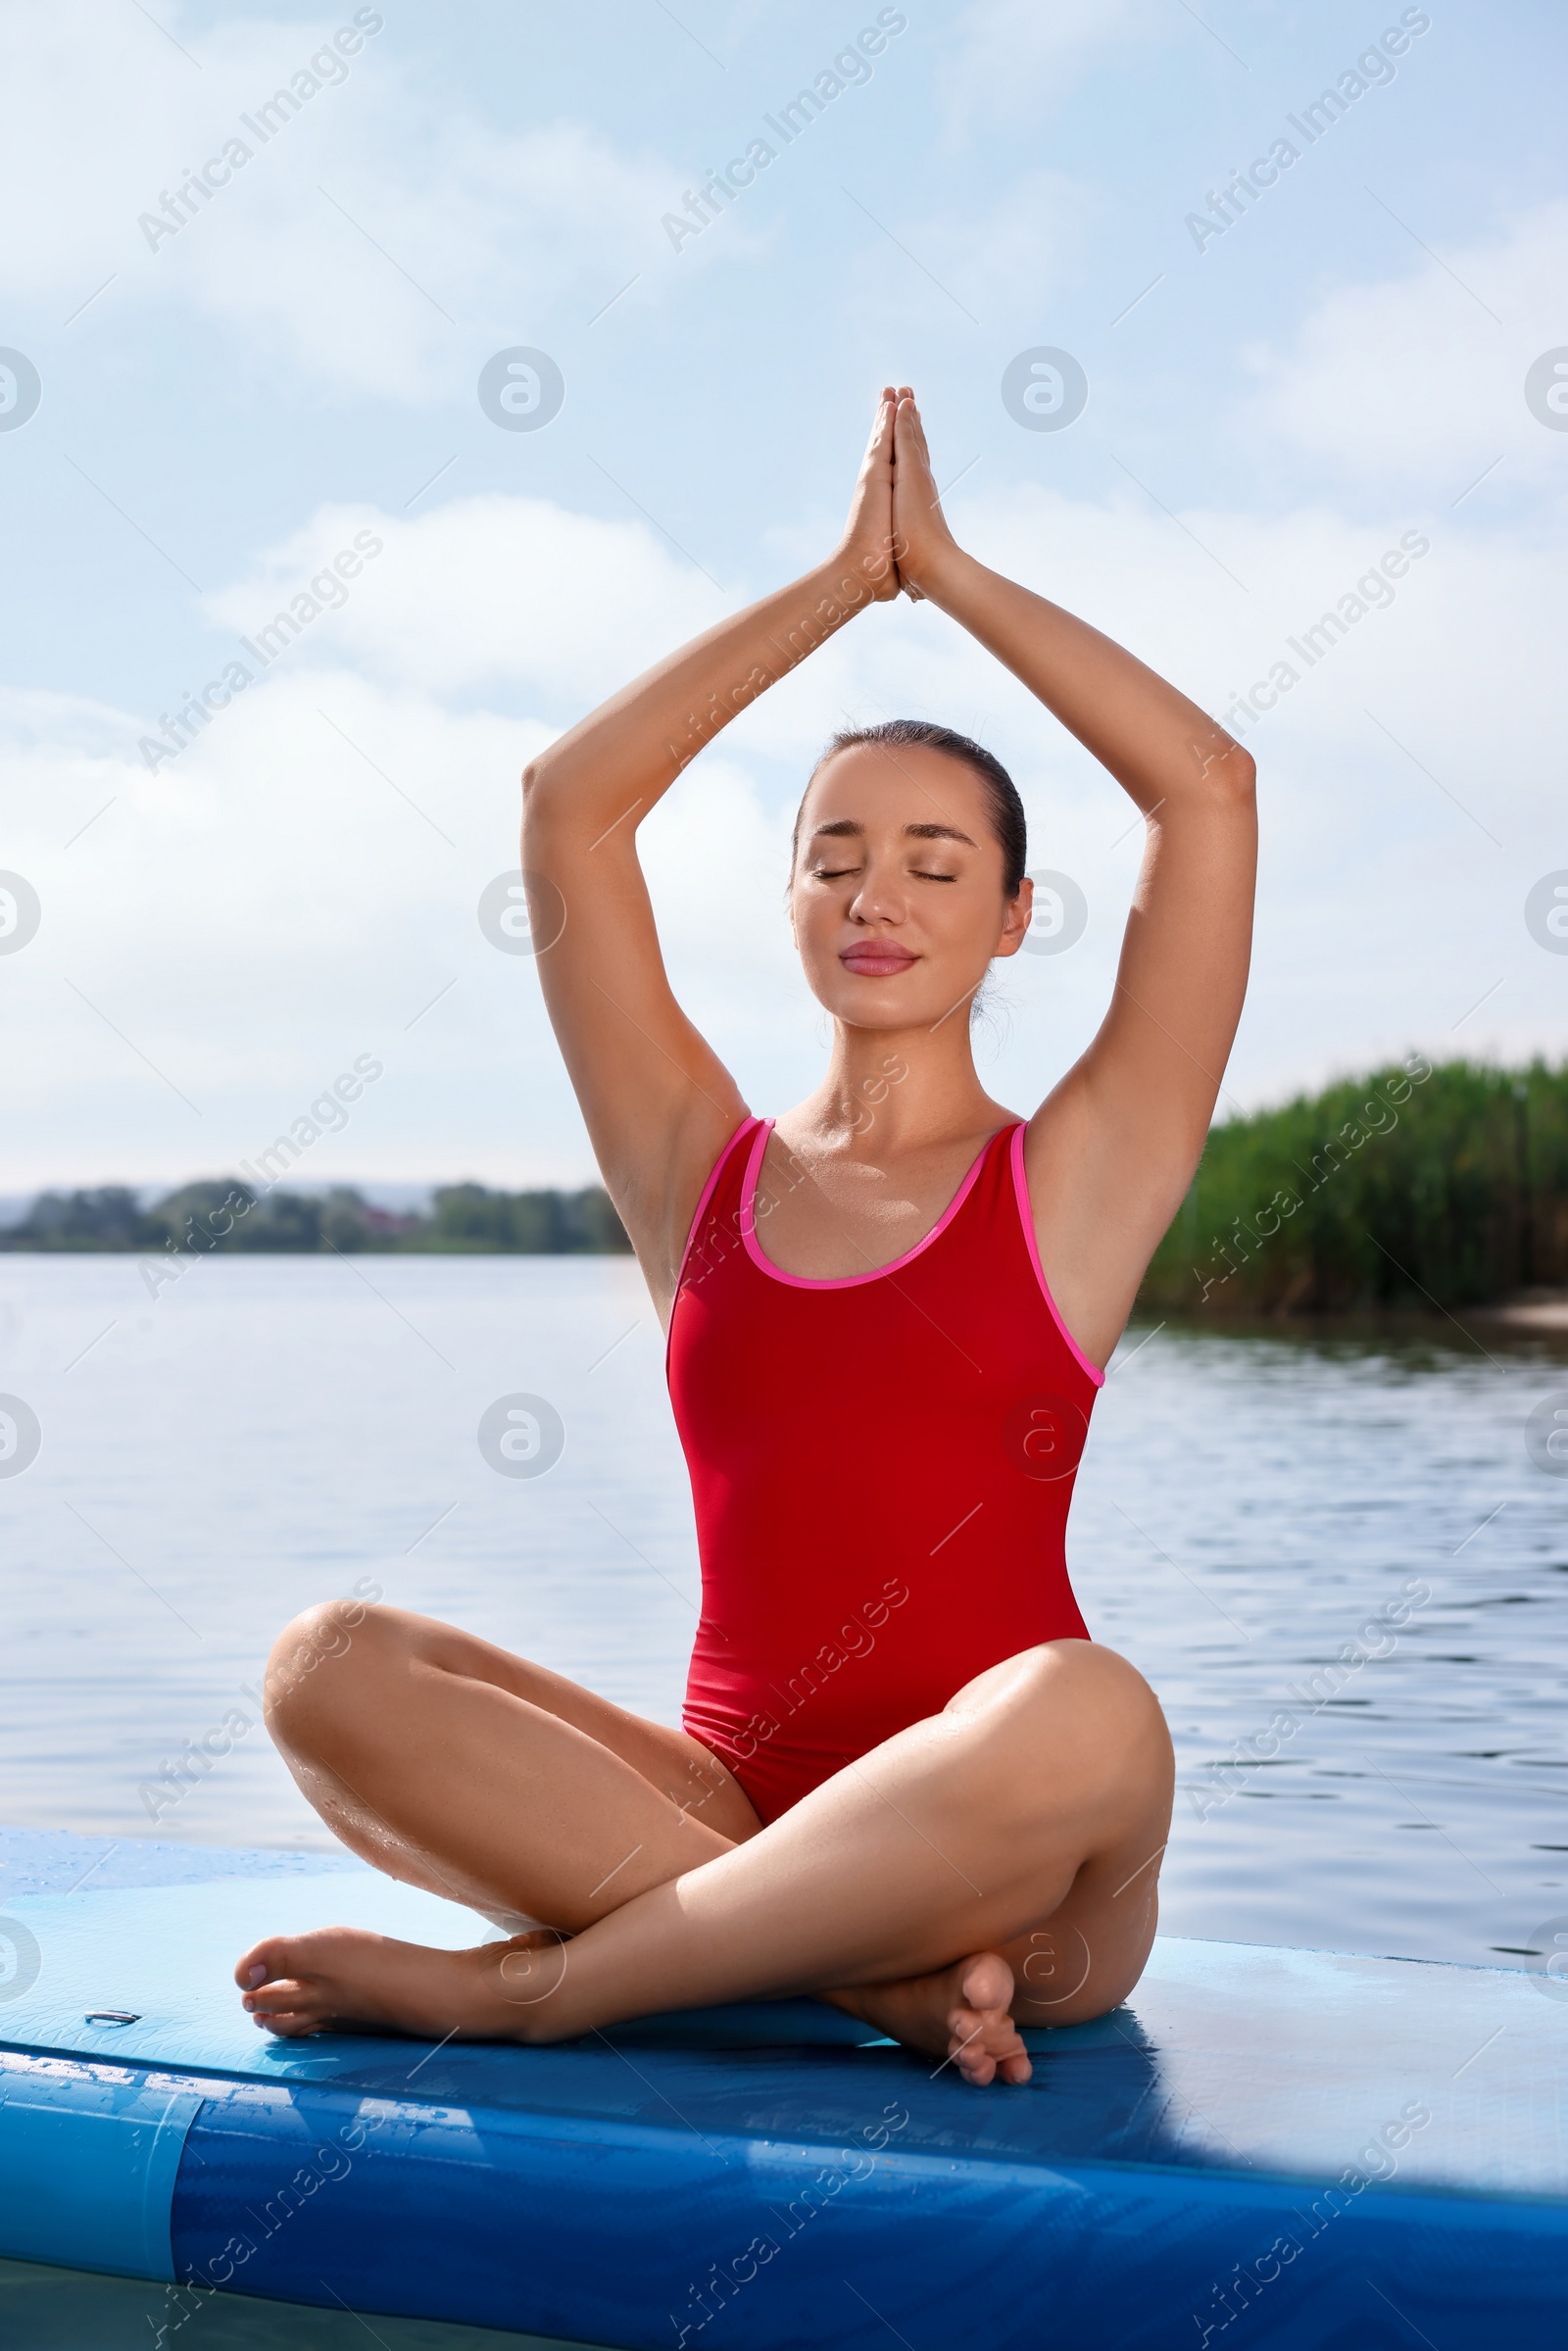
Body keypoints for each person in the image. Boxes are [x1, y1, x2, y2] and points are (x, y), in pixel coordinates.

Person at [235, 388, 1256, 2085]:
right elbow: (569, 804)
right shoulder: (691, 1173)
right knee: (323, 1669)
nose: (878, 897)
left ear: (1014, 920)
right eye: (835, 856)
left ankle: (535, 1991)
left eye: (938, 865)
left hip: (1023, 1881)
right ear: (789, 898)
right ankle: (859, 1987)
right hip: (719, 1816)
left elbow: (1209, 794)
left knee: (1093, 1705)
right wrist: (841, 585)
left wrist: (951, 575)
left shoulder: (1072, 1177)